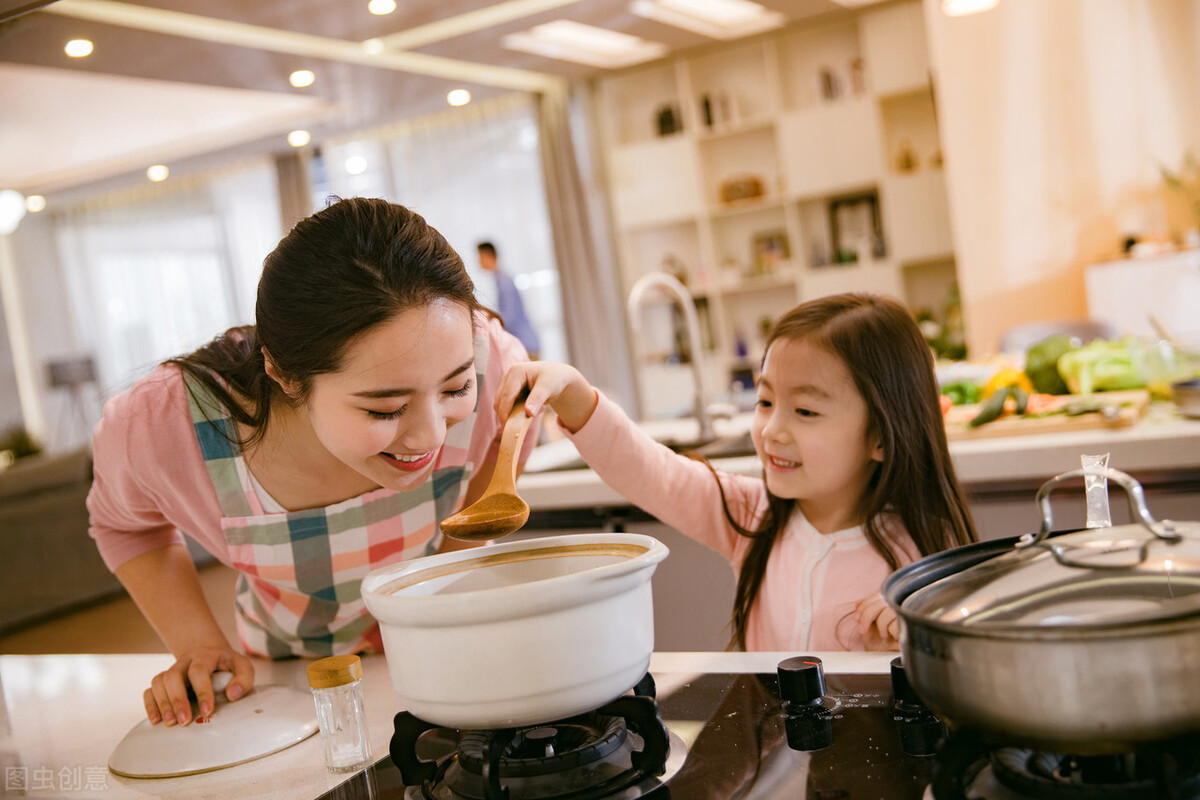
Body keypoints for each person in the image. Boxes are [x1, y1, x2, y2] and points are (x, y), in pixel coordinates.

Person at [87, 198, 535, 727]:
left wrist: (446, 589)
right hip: (291, 688)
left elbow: (506, 447)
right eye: (385, 408)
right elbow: (125, 527)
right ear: (283, 373)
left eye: (456, 387)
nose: (430, 433)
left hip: (441, 662)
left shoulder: (498, 367)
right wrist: (197, 645)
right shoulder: (162, 427)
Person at [496, 292, 976, 652]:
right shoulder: (752, 514)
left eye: (805, 411)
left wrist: (910, 641)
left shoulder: (930, 554)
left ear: (881, 437)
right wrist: (574, 392)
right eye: (765, 402)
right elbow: (649, 469)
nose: (771, 430)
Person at [477, 241, 540, 359]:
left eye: (479, 256)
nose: (478, 261)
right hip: (525, 344)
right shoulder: (502, 279)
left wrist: (489, 321)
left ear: (487, 256)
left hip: (524, 345)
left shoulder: (504, 282)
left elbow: (509, 316)